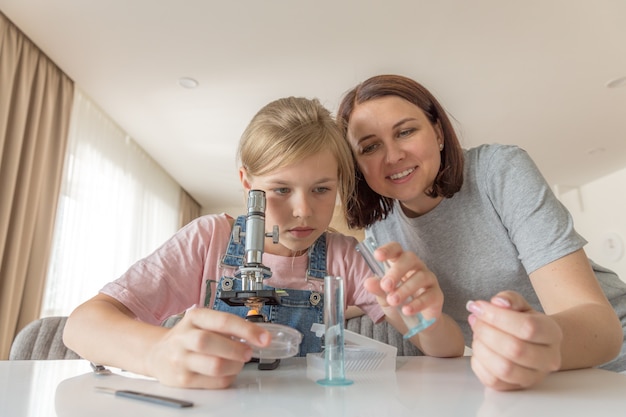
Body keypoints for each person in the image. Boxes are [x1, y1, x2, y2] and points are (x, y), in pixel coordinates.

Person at [63, 96, 465, 390]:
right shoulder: (210, 240)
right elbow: (81, 326)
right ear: (246, 184)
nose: (304, 211)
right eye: (280, 190)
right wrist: (155, 353)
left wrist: (422, 314)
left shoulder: (343, 257)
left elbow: (445, 350)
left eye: (322, 189)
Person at [336, 74, 626, 391]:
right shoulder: (381, 230)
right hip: (531, 386)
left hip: (612, 368)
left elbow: (605, 330)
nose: (392, 156)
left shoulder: (497, 170)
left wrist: (535, 336)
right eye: (370, 147)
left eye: (405, 131)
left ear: (437, 132)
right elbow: (436, 337)